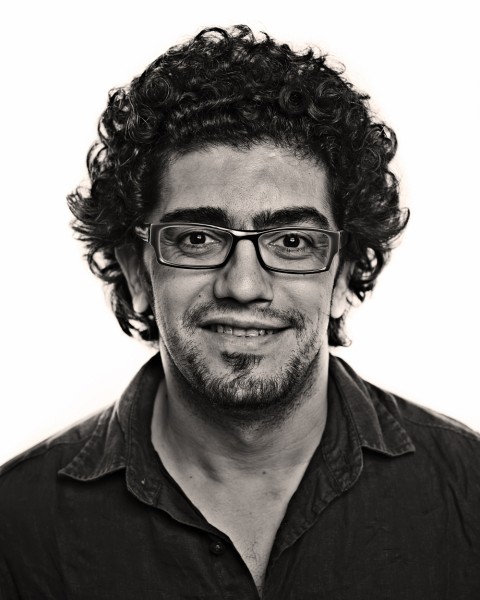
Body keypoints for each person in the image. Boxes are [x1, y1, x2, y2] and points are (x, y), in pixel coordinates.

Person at [1, 25, 479, 599]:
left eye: (292, 242)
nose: (245, 286)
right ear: (137, 273)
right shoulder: (17, 525)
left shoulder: (469, 492)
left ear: (344, 273)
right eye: (198, 239)